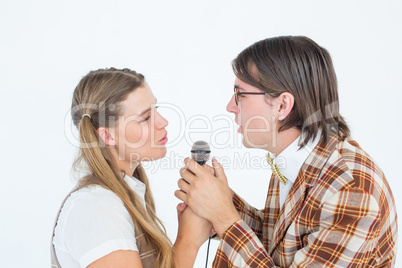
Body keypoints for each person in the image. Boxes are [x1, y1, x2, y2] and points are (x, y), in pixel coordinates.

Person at [175, 36, 398, 267]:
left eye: (240, 94)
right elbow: (281, 242)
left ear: (282, 106)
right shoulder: (300, 157)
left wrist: (224, 217)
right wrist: (220, 202)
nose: (230, 106)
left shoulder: (351, 192)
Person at [51, 68, 211, 268]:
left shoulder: (124, 196)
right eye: (145, 117)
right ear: (107, 136)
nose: (163, 122)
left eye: (156, 109)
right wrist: (189, 240)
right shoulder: (96, 207)